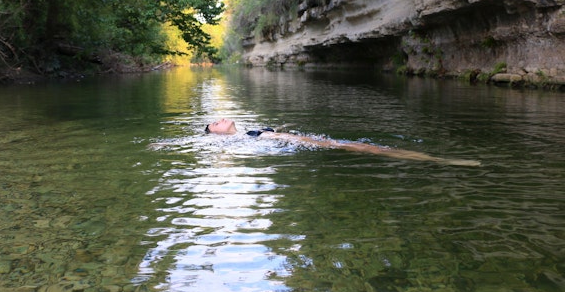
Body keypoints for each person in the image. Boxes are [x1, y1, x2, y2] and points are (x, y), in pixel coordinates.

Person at [205, 119, 480, 166]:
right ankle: (440, 160)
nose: (220, 120)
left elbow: (279, 131)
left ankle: (434, 159)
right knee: (371, 149)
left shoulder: (250, 131)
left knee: (370, 148)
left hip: (304, 140)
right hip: (306, 143)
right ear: (216, 134)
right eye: (214, 124)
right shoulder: (235, 141)